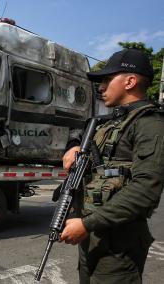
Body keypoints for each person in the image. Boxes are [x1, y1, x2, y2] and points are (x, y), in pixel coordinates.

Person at [59, 48, 164, 283]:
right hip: (93, 237)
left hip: (119, 245)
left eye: (107, 79)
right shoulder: (112, 122)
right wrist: (74, 146)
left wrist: (87, 224)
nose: (101, 87)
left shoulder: (150, 124)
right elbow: (82, 132)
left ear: (130, 81)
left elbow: (146, 190)